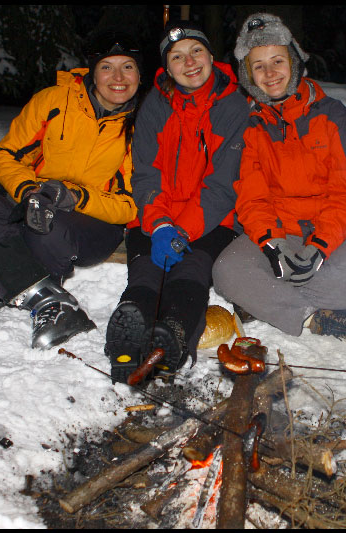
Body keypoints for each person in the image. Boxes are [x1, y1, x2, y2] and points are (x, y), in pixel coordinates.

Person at [0, 29, 143, 350]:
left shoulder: (142, 125)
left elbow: (129, 204)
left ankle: (10, 282)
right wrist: (29, 191)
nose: (118, 77)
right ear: (93, 71)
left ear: (140, 73)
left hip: (94, 223)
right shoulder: (54, 101)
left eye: (128, 66)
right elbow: (8, 155)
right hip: (36, 199)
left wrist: (74, 196)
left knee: (50, 227)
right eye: (107, 67)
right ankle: (48, 301)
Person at [213, 13, 346, 346]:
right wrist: (271, 244)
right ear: (248, 75)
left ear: (293, 61)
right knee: (225, 271)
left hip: (335, 235)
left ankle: (265, 301)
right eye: (258, 66)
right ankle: (314, 317)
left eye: (277, 60)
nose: (270, 73)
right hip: (280, 231)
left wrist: (319, 248)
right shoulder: (251, 125)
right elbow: (252, 197)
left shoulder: (333, 116)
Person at [104, 20, 248, 384]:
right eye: (177, 57)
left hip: (213, 217)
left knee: (192, 267)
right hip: (158, 213)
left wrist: (182, 229)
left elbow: (223, 183)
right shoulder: (155, 105)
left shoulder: (234, 106)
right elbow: (146, 174)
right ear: (166, 68)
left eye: (196, 51)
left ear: (212, 56)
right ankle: (128, 334)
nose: (189, 63)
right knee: (146, 269)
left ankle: (173, 334)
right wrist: (162, 222)